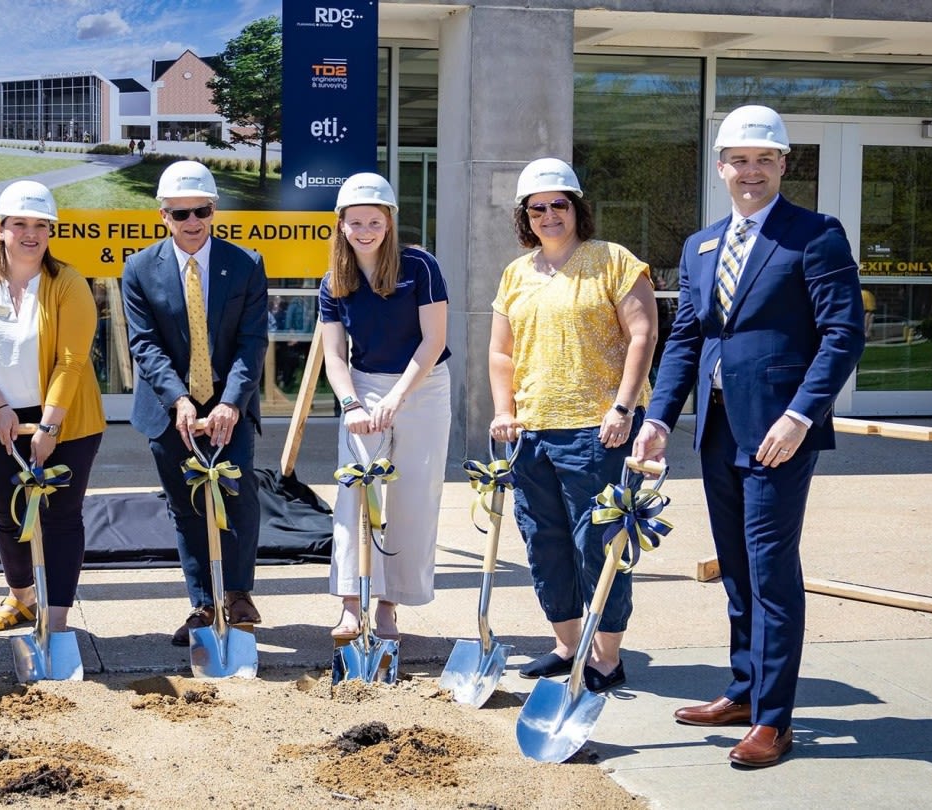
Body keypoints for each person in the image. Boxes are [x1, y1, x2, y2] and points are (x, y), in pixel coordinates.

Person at [634, 105, 865, 768]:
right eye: (739, 159)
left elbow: (843, 334)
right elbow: (687, 339)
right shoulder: (701, 245)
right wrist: (656, 420)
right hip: (715, 432)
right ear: (720, 167)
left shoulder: (814, 236)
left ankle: (773, 717)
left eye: (765, 159)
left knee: (769, 570)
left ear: (784, 165)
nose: (751, 171)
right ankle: (743, 689)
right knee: (736, 567)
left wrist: (801, 415)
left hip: (778, 434)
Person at [489, 158, 658, 693]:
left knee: (599, 543)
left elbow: (643, 334)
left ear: (576, 207)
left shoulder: (612, 261)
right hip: (531, 432)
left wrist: (623, 407)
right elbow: (500, 353)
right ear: (525, 217)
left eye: (557, 204)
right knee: (544, 541)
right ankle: (567, 645)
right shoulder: (517, 273)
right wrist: (503, 410)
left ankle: (606, 657)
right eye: (536, 208)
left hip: (598, 428)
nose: (547, 215)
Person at [121, 160, 269, 646]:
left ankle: (240, 594)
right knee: (186, 509)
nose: (192, 222)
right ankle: (203, 603)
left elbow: (252, 341)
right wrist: (179, 400)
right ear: (163, 215)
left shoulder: (245, 264)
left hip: (231, 407)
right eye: (180, 213)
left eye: (201, 211)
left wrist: (230, 402)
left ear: (214, 210)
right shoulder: (140, 268)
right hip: (170, 415)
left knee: (238, 498)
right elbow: (144, 345)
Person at [0, 181, 105, 632]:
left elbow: (72, 359)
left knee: (60, 516)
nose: (30, 234)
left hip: (67, 420)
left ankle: (55, 620)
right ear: (1, 229)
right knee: (7, 512)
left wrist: (49, 427)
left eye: (41, 225)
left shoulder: (68, 283)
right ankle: (21, 600)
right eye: (20, 224)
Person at [319, 173, 451, 641]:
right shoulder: (334, 280)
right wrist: (352, 403)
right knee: (355, 493)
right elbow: (334, 355)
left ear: (389, 222)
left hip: (424, 385)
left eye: (375, 221)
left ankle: (389, 606)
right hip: (364, 386)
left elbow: (434, 340)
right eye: (356, 222)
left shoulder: (421, 266)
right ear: (341, 225)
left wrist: (398, 398)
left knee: (413, 495)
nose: (365, 230)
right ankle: (351, 603)